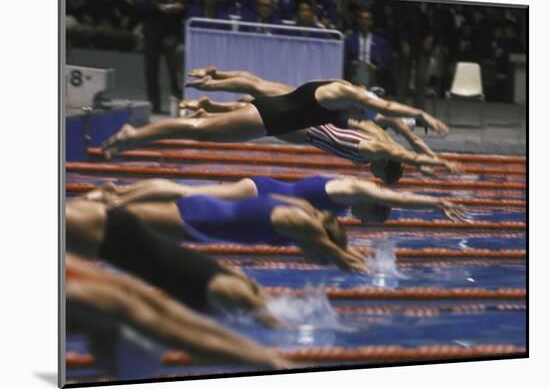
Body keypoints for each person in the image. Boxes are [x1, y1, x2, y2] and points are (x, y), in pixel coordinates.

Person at [102, 72, 456, 182]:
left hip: (277, 123)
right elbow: (392, 129)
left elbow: (258, 85)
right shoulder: (343, 103)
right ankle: (136, 135)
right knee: (196, 131)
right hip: (269, 121)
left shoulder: (332, 106)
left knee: (205, 124)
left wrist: (219, 84)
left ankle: (204, 110)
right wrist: (432, 160)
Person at [66, 200, 281, 326]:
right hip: (119, 239)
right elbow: (269, 321)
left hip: (126, 233)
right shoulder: (227, 292)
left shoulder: (231, 281)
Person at [66, 252, 294, 369]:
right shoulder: (87, 299)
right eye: (110, 370)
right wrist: (270, 361)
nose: (95, 359)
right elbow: (179, 335)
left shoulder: (95, 289)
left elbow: (173, 318)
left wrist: (266, 358)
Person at [69, 193, 366, 273]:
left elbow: (335, 250)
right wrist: (370, 272)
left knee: (117, 228)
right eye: (319, 258)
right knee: (112, 221)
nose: (314, 262)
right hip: (198, 219)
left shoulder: (304, 210)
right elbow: (341, 259)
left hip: (203, 218)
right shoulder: (304, 226)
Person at [83, 175, 468, 224]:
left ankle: (118, 196)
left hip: (262, 199)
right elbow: (396, 195)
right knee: (188, 193)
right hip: (260, 190)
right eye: (372, 219)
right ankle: (116, 195)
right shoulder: (354, 188)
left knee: (188, 201)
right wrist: (435, 203)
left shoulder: (347, 205)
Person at [134, 0, 188, 114]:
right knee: (151, 71)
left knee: (175, 72)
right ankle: (154, 107)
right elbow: (141, 0)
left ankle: (178, 108)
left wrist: (182, 6)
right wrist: (158, 6)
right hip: (153, 30)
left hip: (173, 31)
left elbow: (189, 0)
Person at [345, 9, 391, 88]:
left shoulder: (380, 42)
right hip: (354, 72)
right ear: (358, 21)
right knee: (360, 68)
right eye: (362, 19)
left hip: (373, 74)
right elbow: (343, 60)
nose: (364, 22)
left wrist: (375, 68)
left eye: (367, 19)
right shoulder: (349, 40)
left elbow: (385, 64)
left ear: (371, 22)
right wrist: (351, 64)